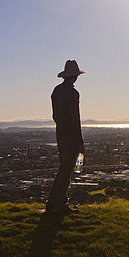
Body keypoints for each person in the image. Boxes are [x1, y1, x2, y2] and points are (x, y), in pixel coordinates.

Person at [45, 60, 86, 214]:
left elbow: (56, 116)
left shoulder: (56, 91)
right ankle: (60, 206)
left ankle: (52, 204)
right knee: (67, 171)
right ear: (75, 76)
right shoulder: (73, 93)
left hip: (60, 135)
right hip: (71, 137)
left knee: (63, 170)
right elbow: (76, 118)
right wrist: (80, 140)